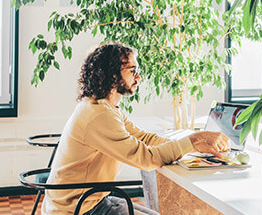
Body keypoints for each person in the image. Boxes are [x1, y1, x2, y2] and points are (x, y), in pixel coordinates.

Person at [41, 43, 229, 215]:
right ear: (113, 75)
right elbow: (146, 158)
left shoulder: (105, 107)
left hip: (90, 200)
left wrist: (192, 145)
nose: (138, 77)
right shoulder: (99, 115)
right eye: (133, 70)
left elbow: (144, 138)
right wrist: (193, 140)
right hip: (78, 209)